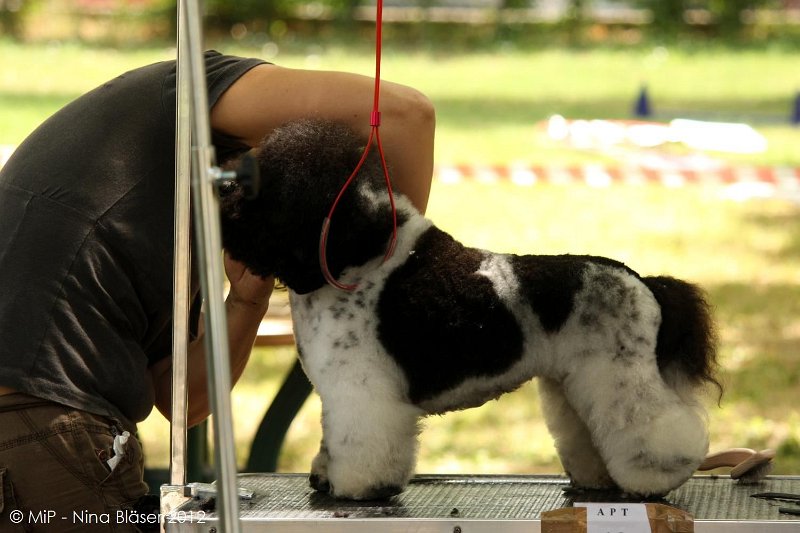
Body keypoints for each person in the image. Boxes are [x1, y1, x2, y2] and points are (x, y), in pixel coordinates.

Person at [0, 50, 435, 531]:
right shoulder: (182, 90)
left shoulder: (152, 194)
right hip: (39, 430)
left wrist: (245, 301)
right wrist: (383, 291)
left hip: (32, 429)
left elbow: (181, 402)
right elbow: (404, 115)